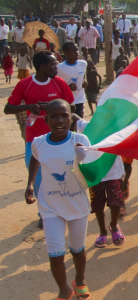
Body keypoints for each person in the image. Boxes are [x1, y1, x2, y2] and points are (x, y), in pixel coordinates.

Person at [24, 99, 92, 300]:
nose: (59, 120)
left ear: (71, 118)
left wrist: (83, 158)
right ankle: (64, 289)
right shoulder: (39, 143)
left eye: (64, 115)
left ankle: (79, 279)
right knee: (55, 253)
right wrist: (29, 184)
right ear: (47, 120)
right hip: (50, 205)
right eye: (54, 116)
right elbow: (35, 158)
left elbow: (93, 169)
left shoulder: (81, 140)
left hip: (77, 203)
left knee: (77, 249)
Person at [5, 52, 75, 227]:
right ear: (42, 67)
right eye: (53, 65)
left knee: (63, 174)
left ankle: (63, 209)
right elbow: (8, 108)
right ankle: (44, 213)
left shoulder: (59, 83)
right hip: (34, 139)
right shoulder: (25, 84)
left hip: (59, 138)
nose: (56, 68)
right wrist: (27, 107)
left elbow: (70, 106)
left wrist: (53, 107)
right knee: (36, 176)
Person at [73, 114, 125, 248]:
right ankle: (102, 231)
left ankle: (114, 225)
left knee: (115, 202)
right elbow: (73, 117)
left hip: (113, 173)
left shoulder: (118, 129)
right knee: (97, 205)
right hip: (95, 174)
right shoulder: (88, 126)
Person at [57, 42, 88, 119]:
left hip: (80, 99)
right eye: (73, 51)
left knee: (78, 123)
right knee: (68, 123)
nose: (77, 52)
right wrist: (68, 88)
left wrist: (84, 81)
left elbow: (83, 75)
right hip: (66, 102)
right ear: (66, 53)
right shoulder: (60, 68)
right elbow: (56, 86)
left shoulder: (83, 63)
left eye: (77, 50)